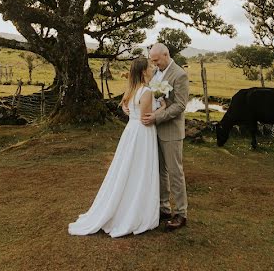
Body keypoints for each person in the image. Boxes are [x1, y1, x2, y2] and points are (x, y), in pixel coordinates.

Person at [68, 57, 165, 238]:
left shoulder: (132, 89)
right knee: (139, 169)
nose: (153, 69)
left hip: (131, 131)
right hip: (142, 134)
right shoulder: (145, 92)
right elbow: (146, 118)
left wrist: (130, 111)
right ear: (144, 71)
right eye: (150, 67)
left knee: (128, 168)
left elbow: (125, 108)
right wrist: (162, 108)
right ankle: (134, 210)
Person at [134, 42, 189, 231]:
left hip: (171, 131)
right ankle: (164, 208)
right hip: (152, 132)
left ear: (166, 54)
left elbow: (180, 106)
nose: (155, 64)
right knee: (159, 171)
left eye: (157, 60)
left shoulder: (179, 75)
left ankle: (181, 213)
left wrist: (156, 118)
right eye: (153, 61)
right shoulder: (156, 73)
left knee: (175, 172)